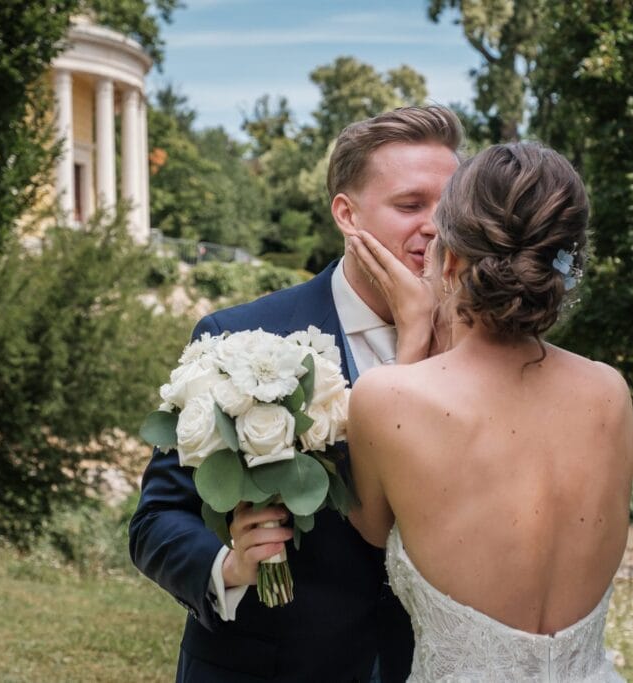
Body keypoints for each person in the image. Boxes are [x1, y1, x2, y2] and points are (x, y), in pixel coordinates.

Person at [128, 105, 464, 683]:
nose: (436, 227)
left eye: (450, 207)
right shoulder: (239, 338)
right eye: (410, 205)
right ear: (347, 214)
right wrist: (230, 566)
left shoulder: (476, 350)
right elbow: (157, 520)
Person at [346, 142, 633, 681]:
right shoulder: (610, 394)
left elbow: (369, 531)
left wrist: (414, 337)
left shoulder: (388, 399)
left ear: (451, 261)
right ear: (563, 264)